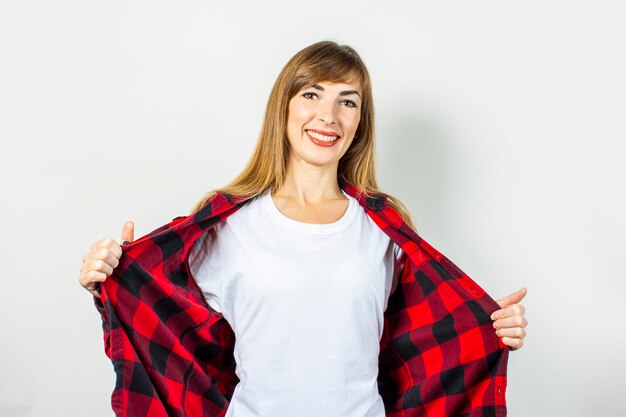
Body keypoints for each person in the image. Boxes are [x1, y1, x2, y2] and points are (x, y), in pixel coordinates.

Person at [79, 41, 527, 417]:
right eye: (312, 94)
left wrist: (490, 326)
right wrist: (113, 273)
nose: (328, 115)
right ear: (285, 107)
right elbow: (159, 314)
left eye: (347, 101)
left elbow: (425, 338)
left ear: (359, 122)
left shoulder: (385, 228)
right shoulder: (226, 224)